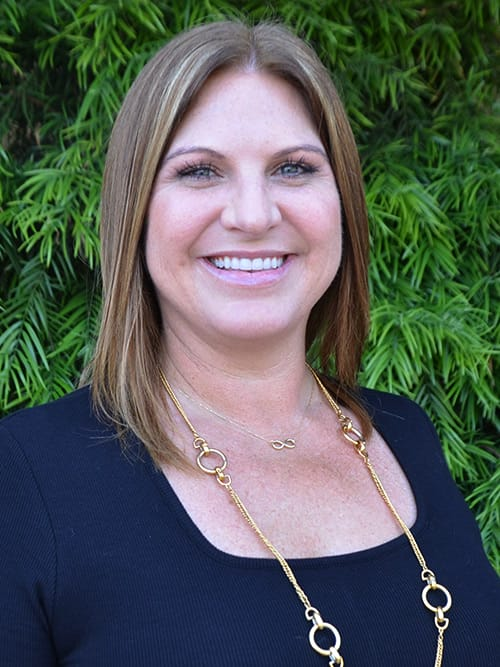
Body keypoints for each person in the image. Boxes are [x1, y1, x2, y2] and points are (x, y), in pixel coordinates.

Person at [0, 20, 498, 667]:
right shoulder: (26, 477)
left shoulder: (406, 435)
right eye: (201, 171)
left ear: (341, 200)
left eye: (293, 167)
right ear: (136, 212)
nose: (254, 214)